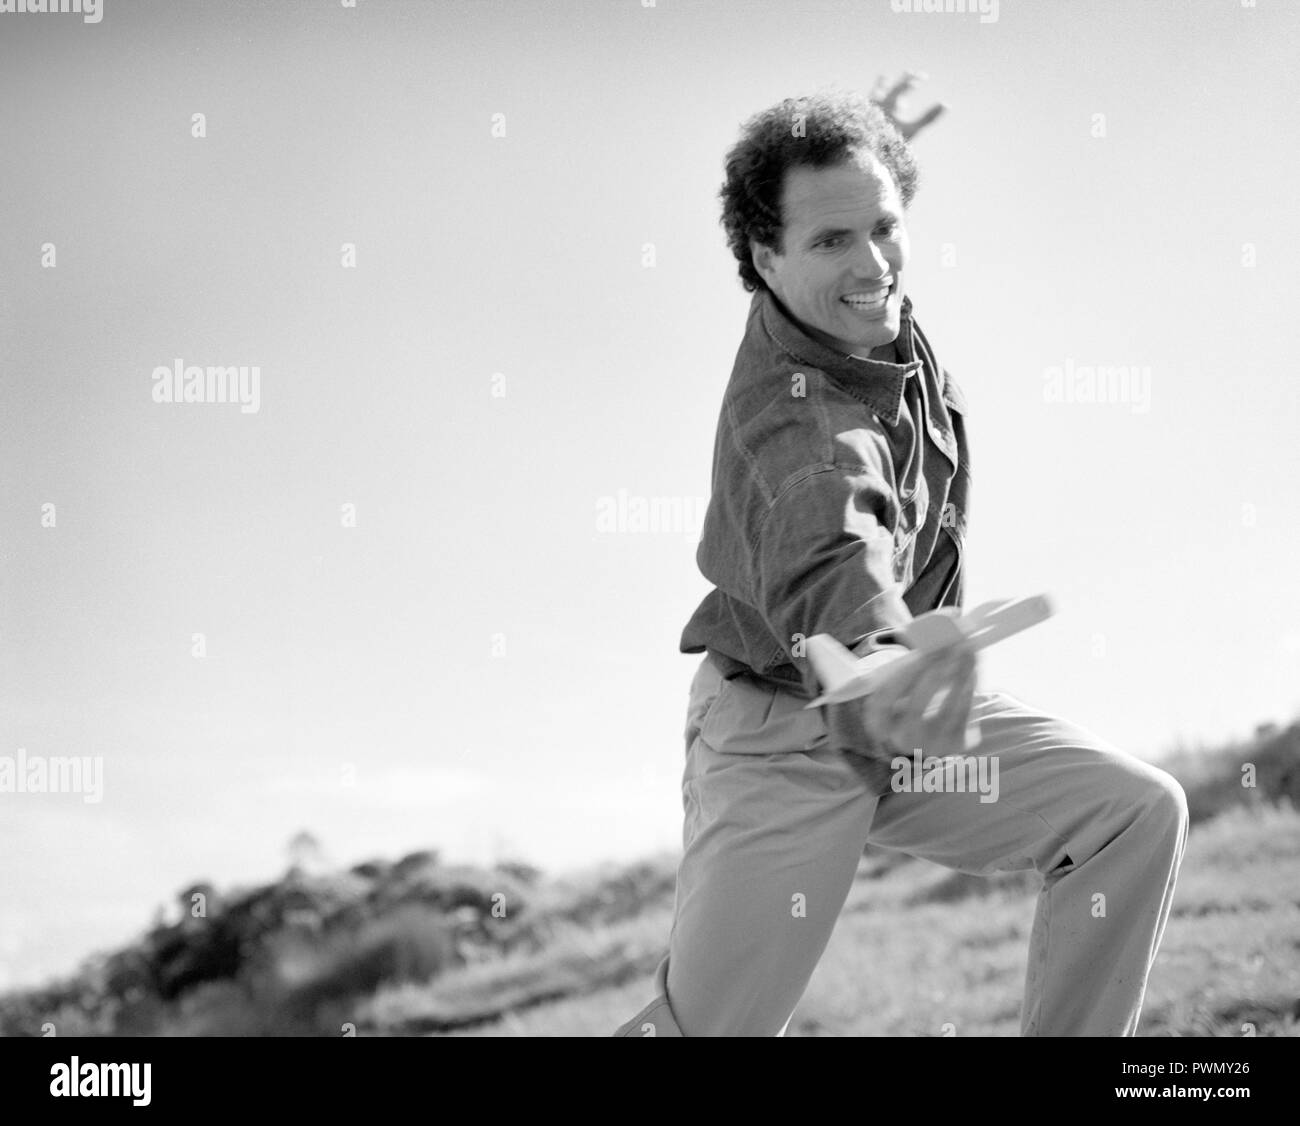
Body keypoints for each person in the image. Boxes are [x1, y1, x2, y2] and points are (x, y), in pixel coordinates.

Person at [612, 78, 1188, 1037]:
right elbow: (831, 549)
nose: (873, 262)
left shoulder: (846, 305)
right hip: (788, 738)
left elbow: (849, 206)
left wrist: (880, 136)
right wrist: (880, 660)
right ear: (764, 257)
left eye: (885, 225)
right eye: (832, 241)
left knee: (1131, 814)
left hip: (913, 715)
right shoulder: (798, 435)